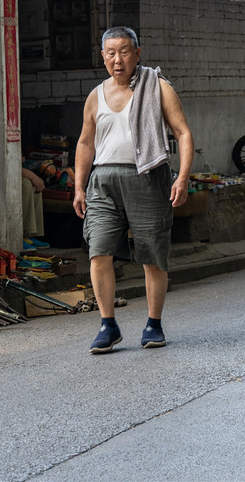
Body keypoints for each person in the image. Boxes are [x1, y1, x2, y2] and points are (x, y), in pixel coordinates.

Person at [73, 26, 193, 354]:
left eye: (124, 52)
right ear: (102, 57)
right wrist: (79, 187)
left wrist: (181, 178)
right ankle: (107, 325)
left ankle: (153, 324)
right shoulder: (95, 95)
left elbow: (182, 133)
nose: (118, 59)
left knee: (152, 255)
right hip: (104, 182)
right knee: (98, 252)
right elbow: (85, 142)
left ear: (137, 54)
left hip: (148, 177)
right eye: (111, 53)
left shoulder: (158, 88)